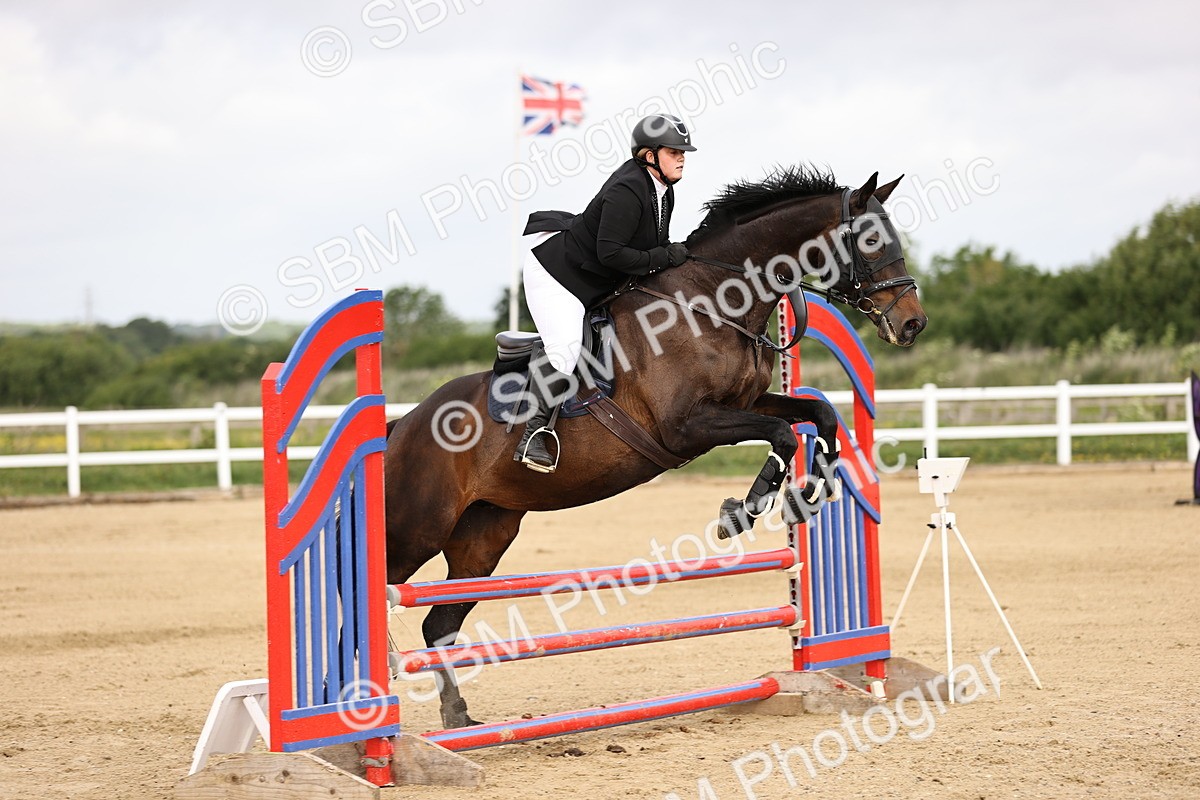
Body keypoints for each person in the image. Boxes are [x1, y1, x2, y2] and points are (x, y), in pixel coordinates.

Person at [514, 113, 697, 472]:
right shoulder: (627, 190)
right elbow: (611, 253)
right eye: (674, 151)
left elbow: (650, 248)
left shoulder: (664, 190)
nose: (681, 157)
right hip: (557, 276)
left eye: (683, 151)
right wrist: (663, 256)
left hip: (596, 276)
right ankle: (533, 436)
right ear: (649, 155)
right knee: (565, 351)